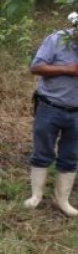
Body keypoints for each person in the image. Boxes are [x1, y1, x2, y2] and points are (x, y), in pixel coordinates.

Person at [24, 12, 78, 217]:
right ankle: (36, 195)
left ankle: (62, 199)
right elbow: (36, 67)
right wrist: (68, 70)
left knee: (71, 154)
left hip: (76, 112)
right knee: (43, 150)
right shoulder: (57, 40)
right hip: (50, 106)